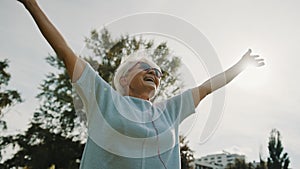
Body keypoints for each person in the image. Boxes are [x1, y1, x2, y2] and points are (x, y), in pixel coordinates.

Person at [17, 0, 265, 169]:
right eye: (145, 68)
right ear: (124, 78)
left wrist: (240, 66)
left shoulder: (170, 110)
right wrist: (32, 4)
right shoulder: (104, 98)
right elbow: (64, 51)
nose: (154, 74)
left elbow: (207, 87)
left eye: (158, 72)